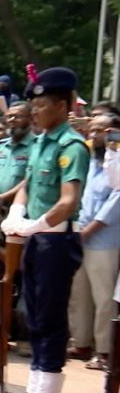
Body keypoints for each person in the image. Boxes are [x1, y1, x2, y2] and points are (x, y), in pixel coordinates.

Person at [0, 68, 90, 393]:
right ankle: (35, 390)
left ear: (63, 106)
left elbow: (68, 200)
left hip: (57, 239)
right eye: (33, 105)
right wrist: (17, 212)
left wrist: (35, 224)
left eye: (42, 105)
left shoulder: (71, 147)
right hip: (37, 238)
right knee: (33, 314)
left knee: (50, 316)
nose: (34, 112)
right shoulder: (40, 142)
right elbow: (28, 184)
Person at [67, 113, 120, 370]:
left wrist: (89, 230)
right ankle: (81, 343)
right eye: (93, 129)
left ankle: (104, 350)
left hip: (104, 240)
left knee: (103, 298)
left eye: (102, 130)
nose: (95, 134)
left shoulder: (116, 162)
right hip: (80, 235)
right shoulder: (88, 160)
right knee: (79, 293)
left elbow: (115, 202)